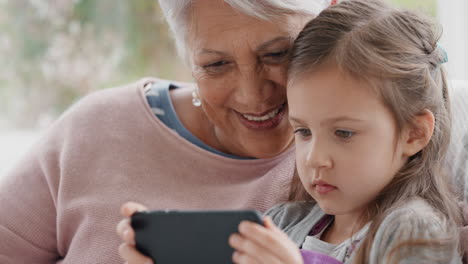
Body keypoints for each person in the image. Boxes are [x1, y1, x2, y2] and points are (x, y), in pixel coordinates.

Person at [0, 0, 331, 263]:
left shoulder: (355, 162)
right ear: (186, 54)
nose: (253, 95)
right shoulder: (98, 127)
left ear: (332, 16)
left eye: (277, 54)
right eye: (216, 65)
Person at [227, 0, 463, 263]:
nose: (314, 158)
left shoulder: (414, 230)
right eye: (304, 131)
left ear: (414, 133)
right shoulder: (282, 223)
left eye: (343, 133)